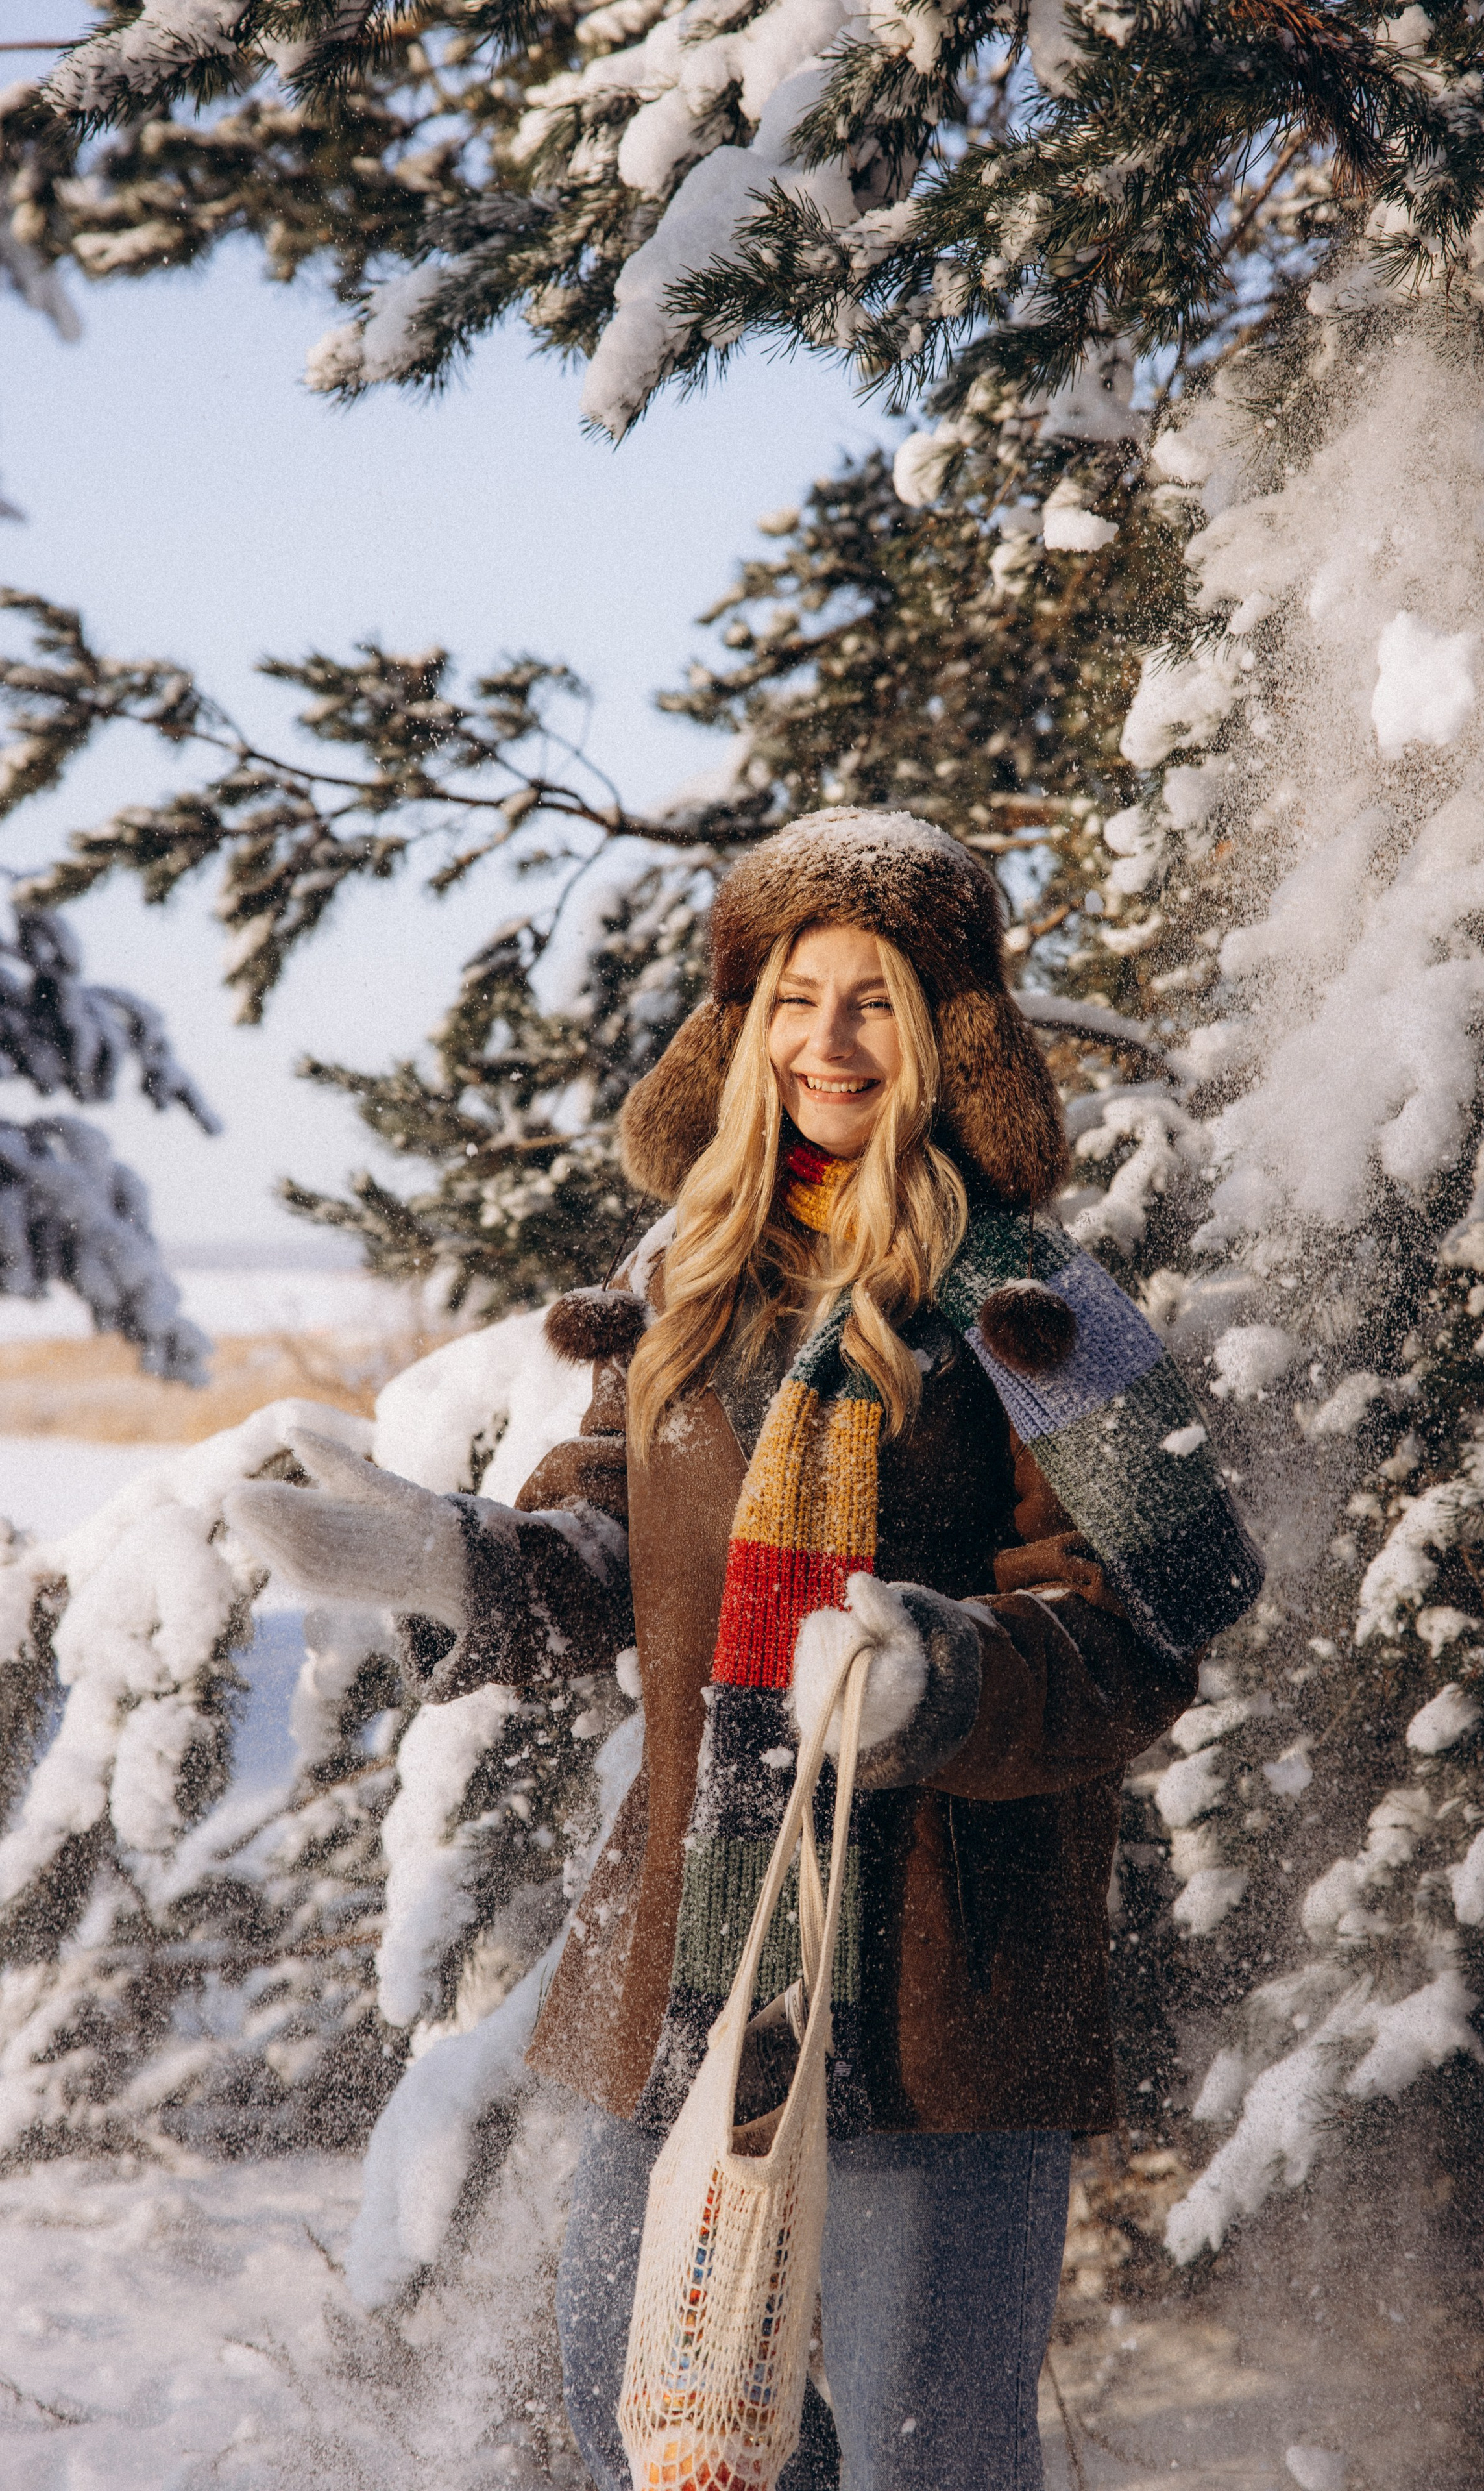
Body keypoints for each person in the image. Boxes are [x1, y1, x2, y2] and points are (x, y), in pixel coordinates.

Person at [230, 810, 1262, 2491]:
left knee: (928, 2458)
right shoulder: (688, 1278)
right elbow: (621, 1555)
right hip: (699, 1946)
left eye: (875, 1001)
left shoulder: (1035, 1299)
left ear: (944, 1032)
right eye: (796, 997)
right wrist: (450, 1556)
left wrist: (945, 1675)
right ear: (743, 1020)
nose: (828, 1043)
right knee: (655, 2417)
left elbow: (1155, 1614)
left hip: (940, 1962)